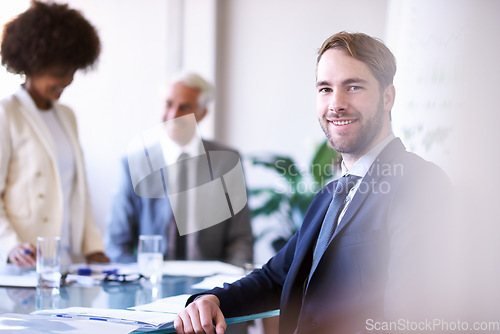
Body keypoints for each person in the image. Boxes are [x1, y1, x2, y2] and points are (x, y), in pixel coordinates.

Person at [174, 32, 452, 334]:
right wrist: (213, 300)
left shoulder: (419, 183)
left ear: (388, 97)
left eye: (353, 87)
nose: (336, 104)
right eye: (325, 89)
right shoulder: (332, 194)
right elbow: (275, 277)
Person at [0, 1, 109, 268]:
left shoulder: (67, 116)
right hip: (24, 263)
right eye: (59, 73)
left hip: (68, 262)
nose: (67, 81)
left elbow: (79, 189)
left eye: (72, 72)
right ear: (31, 64)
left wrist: (93, 247)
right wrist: (9, 245)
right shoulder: (6, 113)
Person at [106, 72, 253, 267]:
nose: (173, 115)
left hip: (212, 286)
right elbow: (116, 244)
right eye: (168, 104)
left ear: (202, 113)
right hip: (152, 281)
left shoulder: (226, 161)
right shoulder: (135, 164)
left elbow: (241, 238)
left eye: (185, 107)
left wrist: (228, 287)